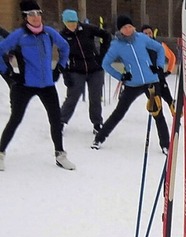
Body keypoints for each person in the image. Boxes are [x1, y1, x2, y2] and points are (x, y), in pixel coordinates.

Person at [0, 1, 75, 171]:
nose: (35, 17)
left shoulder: (49, 33)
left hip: (47, 85)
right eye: (31, 14)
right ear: (25, 17)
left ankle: (60, 154)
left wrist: (60, 67)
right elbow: (0, 50)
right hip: (25, 85)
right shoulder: (19, 35)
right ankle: (1, 153)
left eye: (38, 13)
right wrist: (9, 72)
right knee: (15, 119)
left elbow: (65, 46)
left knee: (55, 119)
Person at [92, 15, 169, 153]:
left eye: (130, 26)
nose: (128, 29)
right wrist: (121, 76)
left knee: (158, 112)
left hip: (151, 80)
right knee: (119, 112)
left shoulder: (141, 38)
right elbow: (105, 64)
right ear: (120, 30)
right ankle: (99, 138)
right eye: (125, 27)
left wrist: (158, 66)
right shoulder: (116, 45)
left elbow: (159, 48)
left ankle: (166, 145)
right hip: (132, 84)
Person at [59, 9, 111, 135]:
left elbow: (106, 35)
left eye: (74, 22)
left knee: (95, 98)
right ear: (64, 22)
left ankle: (97, 123)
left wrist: (102, 55)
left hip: (95, 69)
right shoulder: (62, 35)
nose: (72, 25)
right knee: (72, 97)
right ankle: (60, 122)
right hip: (76, 70)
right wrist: (65, 74)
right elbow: (62, 56)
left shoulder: (88, 29)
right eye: (69, 23)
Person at [140, 24, 176, 111]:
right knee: (156, 104)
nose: (148, 35)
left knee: (169, 100)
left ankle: (176, 117)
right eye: (145, 34)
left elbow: (172, 57)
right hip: (147, 80)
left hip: (159, 77)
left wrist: (168, 71)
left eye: (150, 33)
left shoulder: (159, 45)